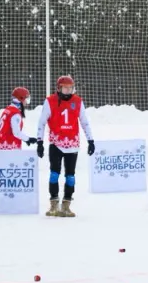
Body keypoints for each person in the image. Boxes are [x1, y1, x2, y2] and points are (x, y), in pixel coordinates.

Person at [36, 75, 95, 217]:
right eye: (65, 88)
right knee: (54, 174)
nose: (68, 91)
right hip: (56, 143)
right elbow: (42, 122)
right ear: (59, 88)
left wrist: (91, 140)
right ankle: (54, 204)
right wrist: (40, 142)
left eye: (70, 88)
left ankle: (66, 205)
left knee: (70, 176)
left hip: (72, 144)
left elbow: (84, 122)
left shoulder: (78, 101)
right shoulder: (50, 101)